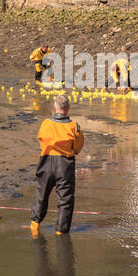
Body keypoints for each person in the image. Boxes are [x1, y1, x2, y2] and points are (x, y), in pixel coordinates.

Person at [30, 95, 84, 237]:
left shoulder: (45, 123)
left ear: (55, 108)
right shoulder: (74, 126)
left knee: (41, 194)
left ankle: (34, 226)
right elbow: (77, 149)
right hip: (64, 164)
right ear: (68, 109)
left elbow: (41, 140)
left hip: (46, 161)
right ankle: (61, 233)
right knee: (65, 199)